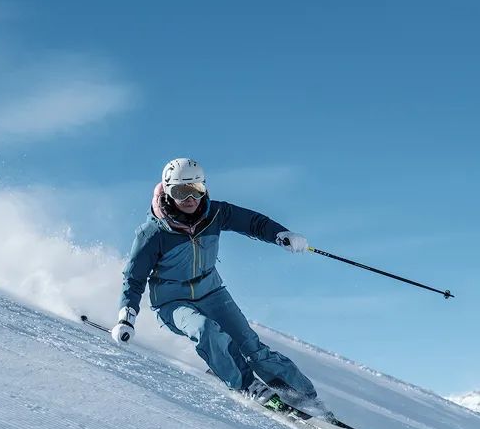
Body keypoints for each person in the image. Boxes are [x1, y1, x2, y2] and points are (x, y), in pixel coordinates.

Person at [114, 157, 326, 413]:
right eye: (182, 191)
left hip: (211, 292)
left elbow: (253, 222)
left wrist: (281, 234)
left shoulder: (215, 213)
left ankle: (304, 397)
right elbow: (133, 278)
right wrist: (126, 316)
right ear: (169, 192)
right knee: (207, 330)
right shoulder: (153, 233)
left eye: (197, 189)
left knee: (251, 346)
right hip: (172, 302)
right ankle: (246, 384)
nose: (191, 198)